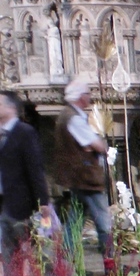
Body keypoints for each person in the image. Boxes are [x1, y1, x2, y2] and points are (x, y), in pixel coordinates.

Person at [52, 77, 111, 258]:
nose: (90, 97)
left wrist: (91, 146)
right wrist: (98, 145)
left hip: (78, 177)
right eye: (87, 94)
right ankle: (111, 263)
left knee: (75, 221)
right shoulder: (74, 118)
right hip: (86, 177)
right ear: (80, 97)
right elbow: (98, 146)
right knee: (103, 221)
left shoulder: (67, 115)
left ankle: (67, 262)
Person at [0, 91, 53, 264]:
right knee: (8, 253)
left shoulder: (24, 132)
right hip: (3, 203)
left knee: (35, 252)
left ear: (11, 108)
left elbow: (35, 168)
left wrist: (43, 202)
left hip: (22, 204)